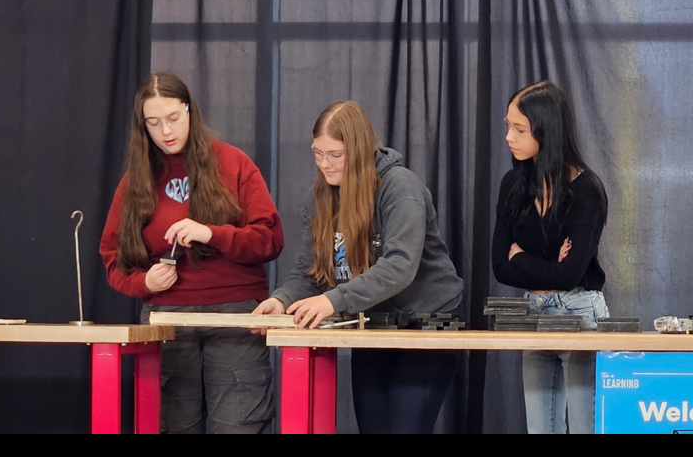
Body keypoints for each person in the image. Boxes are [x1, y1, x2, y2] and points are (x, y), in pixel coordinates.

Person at [252, 101, 463, 434]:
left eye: (335, 155)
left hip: (426, 326)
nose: (325, 164)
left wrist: (333, 300)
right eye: (317, 154)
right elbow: (312, 269)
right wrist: (281, 299)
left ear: (360, 148)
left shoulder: (400, 188)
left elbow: (400, 266)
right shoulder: (321, 197)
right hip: (374, 325)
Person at [99, 71, 284, 434]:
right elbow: (112, 257)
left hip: (235, 319)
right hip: (167, 322)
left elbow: (270, 240)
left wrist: (212, 234)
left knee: (240, 425)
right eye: (154, 123)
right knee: (172, 425)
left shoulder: (232, 163)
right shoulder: (136, 181)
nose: (166, 131)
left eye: (173, 118)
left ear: (189, 111)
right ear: (143, 127)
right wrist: (144, 281)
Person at [491, 80, 610, 434]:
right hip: (534, 316)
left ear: (547, 131)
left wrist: (521, 257)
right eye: (508, 126)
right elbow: (499, 266)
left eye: (519, 129)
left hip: (582, 316)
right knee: (541, 430)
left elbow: (568, 276)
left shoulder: (585, 189)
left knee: (587, 429)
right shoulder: (513, 184)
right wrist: (543, 266)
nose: (509, 137)